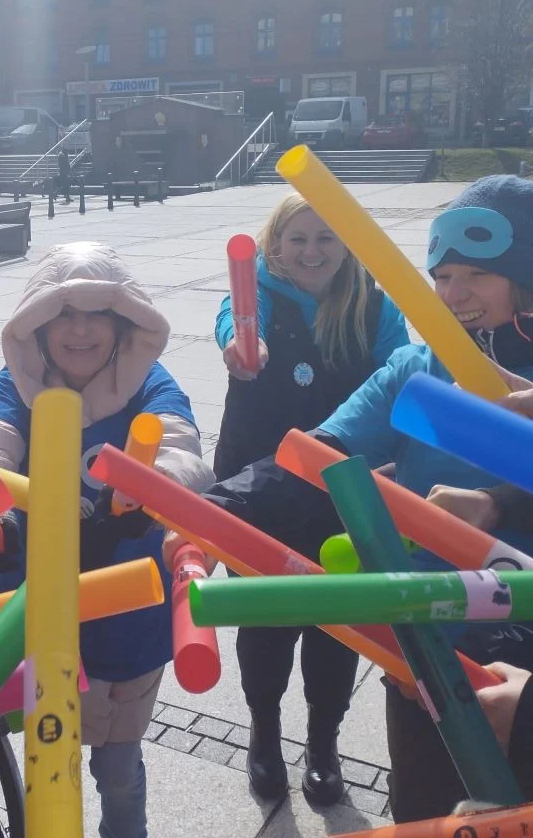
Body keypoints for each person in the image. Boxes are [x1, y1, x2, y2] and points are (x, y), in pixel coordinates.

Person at [163, 175, 533, 821]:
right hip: (419, 630)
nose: (454, 294)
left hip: (518, 636)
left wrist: (496, 503)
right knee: (421, 804)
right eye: (442, 276)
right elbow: (320, 450)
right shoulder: (418, 368)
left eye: (475, 274)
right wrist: (216, 511)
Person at [0, 241, 214, 838]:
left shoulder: (153, 385)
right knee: (47, 765)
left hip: (131, 612)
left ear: (123, 321)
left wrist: (139, 502)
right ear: (37, 326)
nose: (79, 330)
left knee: (119, 770)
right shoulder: (9, 391)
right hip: (42, 616)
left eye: (95, 313)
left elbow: (181, 453)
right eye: (62, 313)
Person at [212, 194, 409, 805]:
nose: (312, 250)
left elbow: (402, 374)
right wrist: (242, 351)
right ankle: (264, 733)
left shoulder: (373, 307)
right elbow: (235, 326)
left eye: (326, 237)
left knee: (338, 626)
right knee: (265, 622)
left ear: (348, 244)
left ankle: (324, 744)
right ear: (275, 245)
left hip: (344, 493)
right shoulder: (258, 296)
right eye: (298, 238)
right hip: (259, 486)